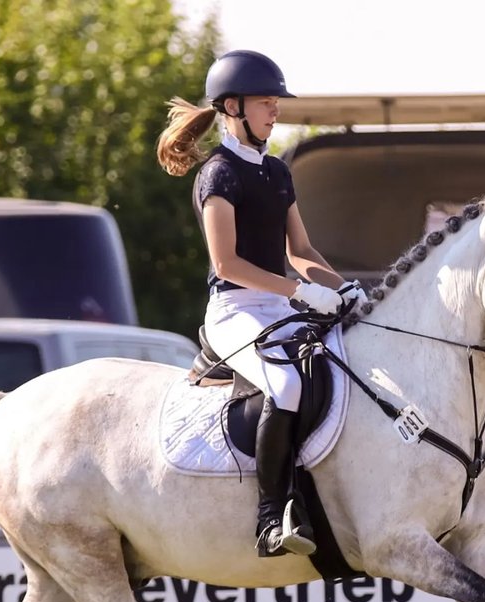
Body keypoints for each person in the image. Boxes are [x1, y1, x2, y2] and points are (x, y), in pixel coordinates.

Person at [156, 49, 368, 558]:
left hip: (278, 305)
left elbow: (302, 252)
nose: (275, 112)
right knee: (288, 383)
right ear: (232, 106)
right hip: (234, 310)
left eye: (276, 103)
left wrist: (342, 289)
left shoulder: (276, 171)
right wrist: (299, 291)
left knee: (346, 364)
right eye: (266, 102)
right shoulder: (219, 175)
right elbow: (226, 263)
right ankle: (271, 517)